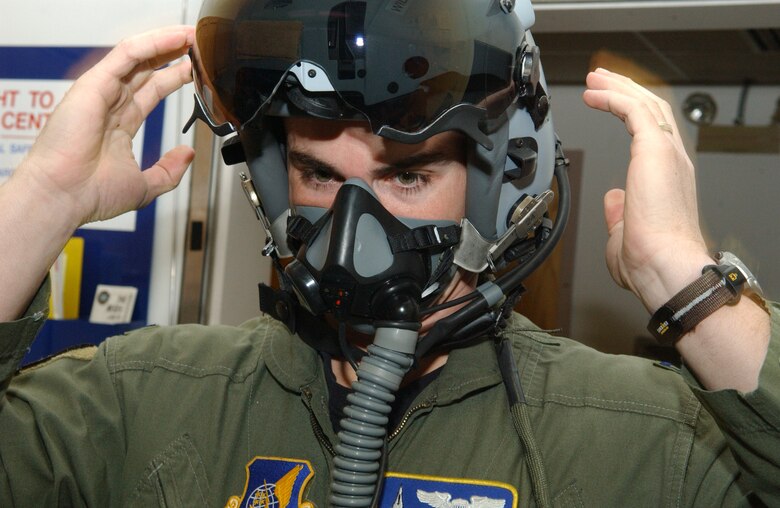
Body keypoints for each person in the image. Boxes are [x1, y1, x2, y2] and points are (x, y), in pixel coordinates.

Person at [0, 1, 777, 506]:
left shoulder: (639, 435)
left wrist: (683, 279)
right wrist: (39, 201)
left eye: (406, 175)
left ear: (497, 187)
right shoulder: (144, 402)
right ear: (274, 187)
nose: (352, 227)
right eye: (316, 174)